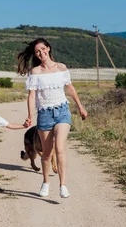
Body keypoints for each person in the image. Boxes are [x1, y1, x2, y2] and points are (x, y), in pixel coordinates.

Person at [17, 38, 88, 199]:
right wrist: (29, 115)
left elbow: (70, 88)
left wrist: (80, 107)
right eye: (37, 51)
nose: (41, 53)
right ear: (35, 54)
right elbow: (32, 96)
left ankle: (63, 185)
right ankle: (46, 182)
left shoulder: (61, 67)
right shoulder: (35, 72)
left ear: (48, 48)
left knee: (60, 148)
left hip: (62, 111)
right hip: (45, 114)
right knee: (47, 154)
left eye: (43, 49)